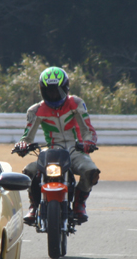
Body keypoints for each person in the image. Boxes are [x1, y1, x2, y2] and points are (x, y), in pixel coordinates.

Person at [14, 67, 100, 225]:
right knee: (29, 170)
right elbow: (27, 137)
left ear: (66, 88)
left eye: (57, 91)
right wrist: (22, 145)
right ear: (42, 91)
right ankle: (34, 206)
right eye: (49, 91)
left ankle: (79, 204)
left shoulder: (76, 103)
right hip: (52, 150)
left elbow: (88, 130)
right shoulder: (36, 110)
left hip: (76, 150)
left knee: (91, 171)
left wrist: (89, 142)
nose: (53, 95)